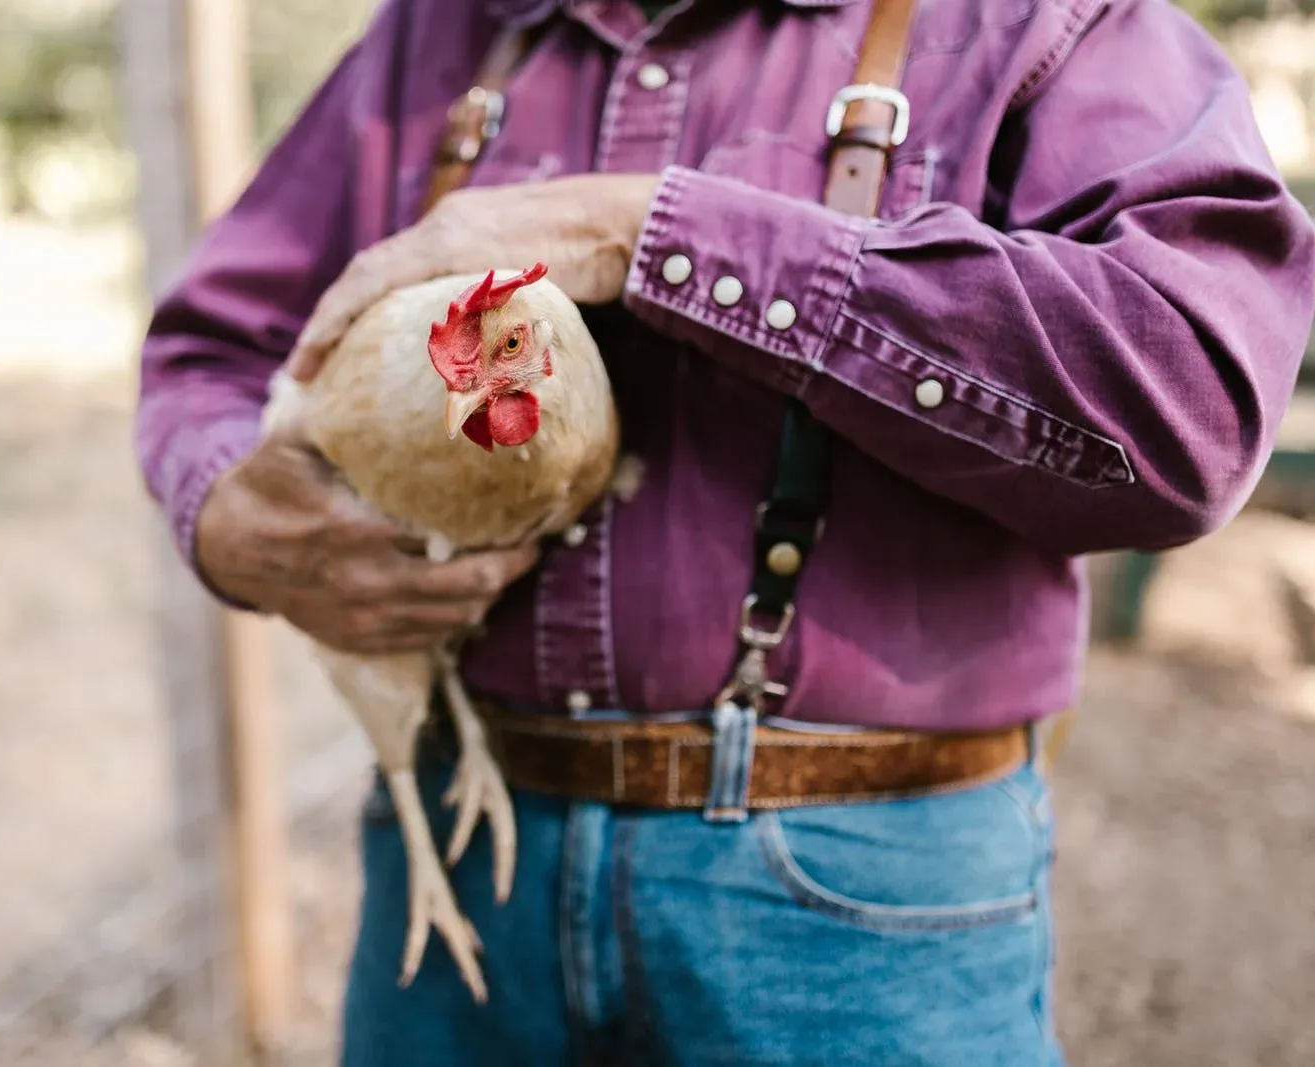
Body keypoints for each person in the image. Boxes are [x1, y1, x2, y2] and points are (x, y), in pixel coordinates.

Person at [134, 0, 1315, 1062]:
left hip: (856, 894)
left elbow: (1188, 412)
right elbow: (213, 348)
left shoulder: (1042, 20)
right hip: (457, 846)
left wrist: (647, 232)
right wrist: (231, 515)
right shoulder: (439, 29)